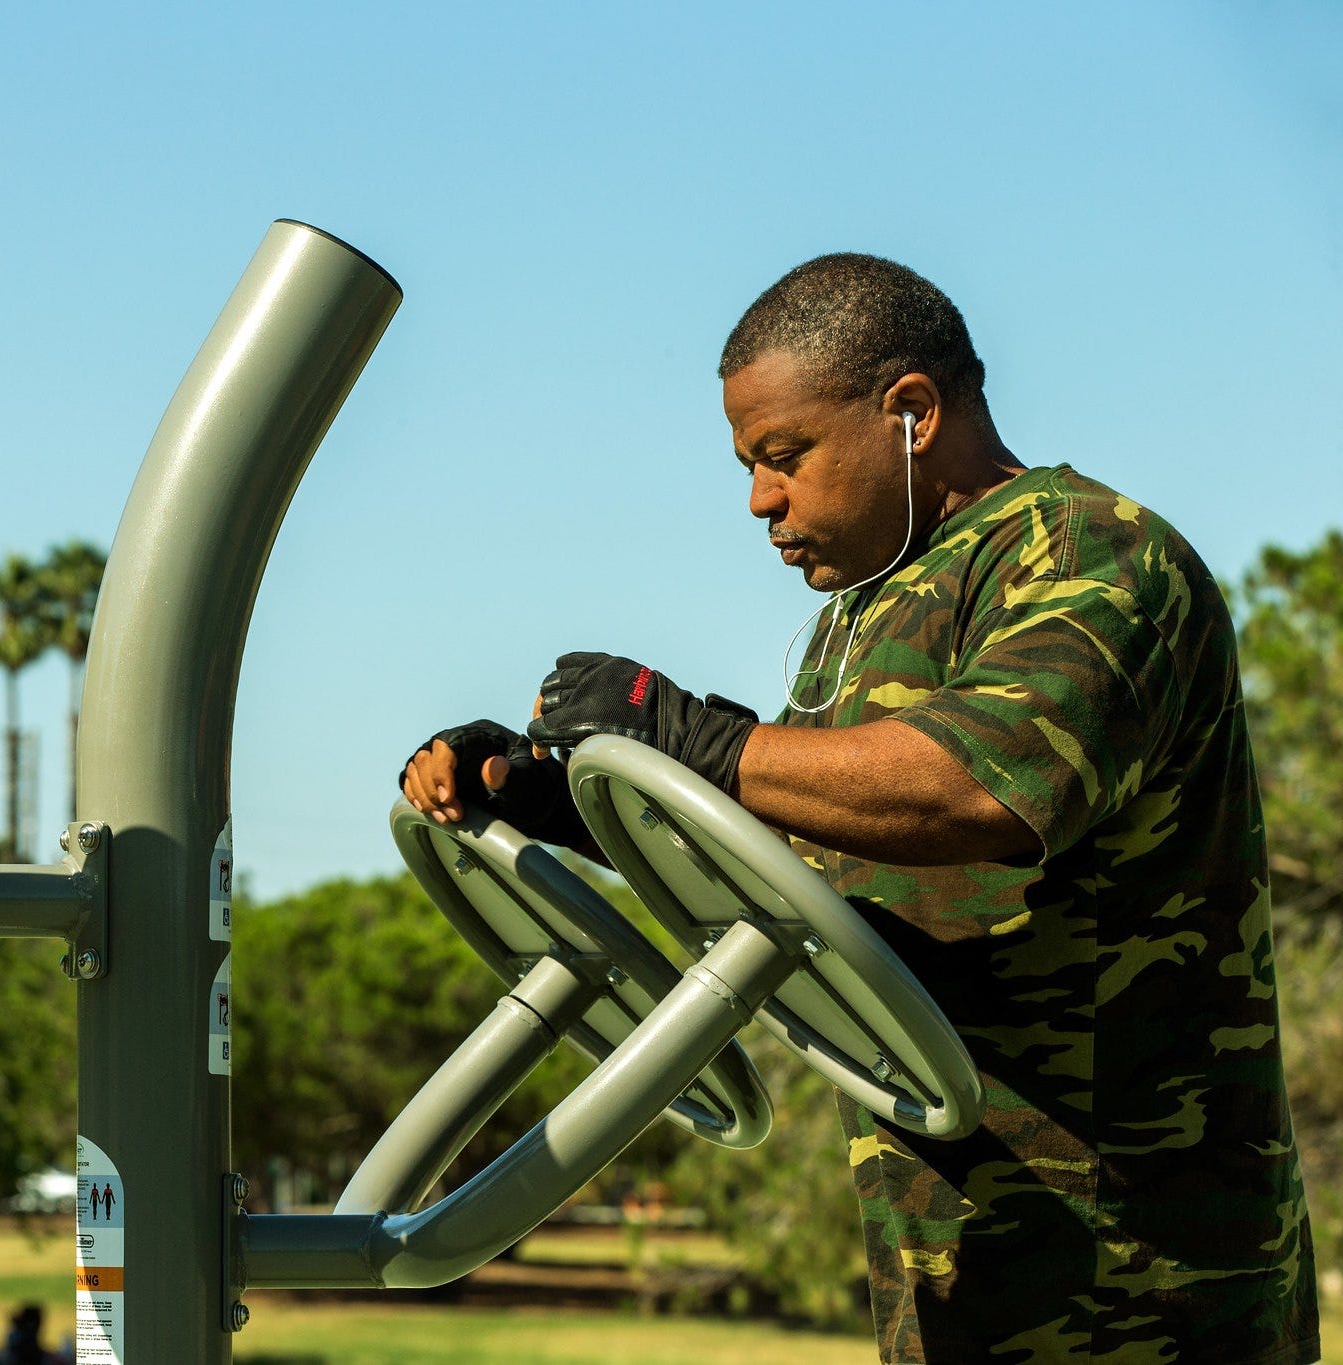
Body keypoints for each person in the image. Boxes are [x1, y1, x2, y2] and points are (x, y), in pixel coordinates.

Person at [401, 253, 1321, 1364]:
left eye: (783, 456)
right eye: (748, 465)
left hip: (1139, 1285)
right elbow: (800, 829)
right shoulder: (868, 608)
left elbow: (971, 784)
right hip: (960, 1268)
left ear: (910, 413)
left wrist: (685, 736)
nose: (758, 500)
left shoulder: (1088, 551)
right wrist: (554, 792)